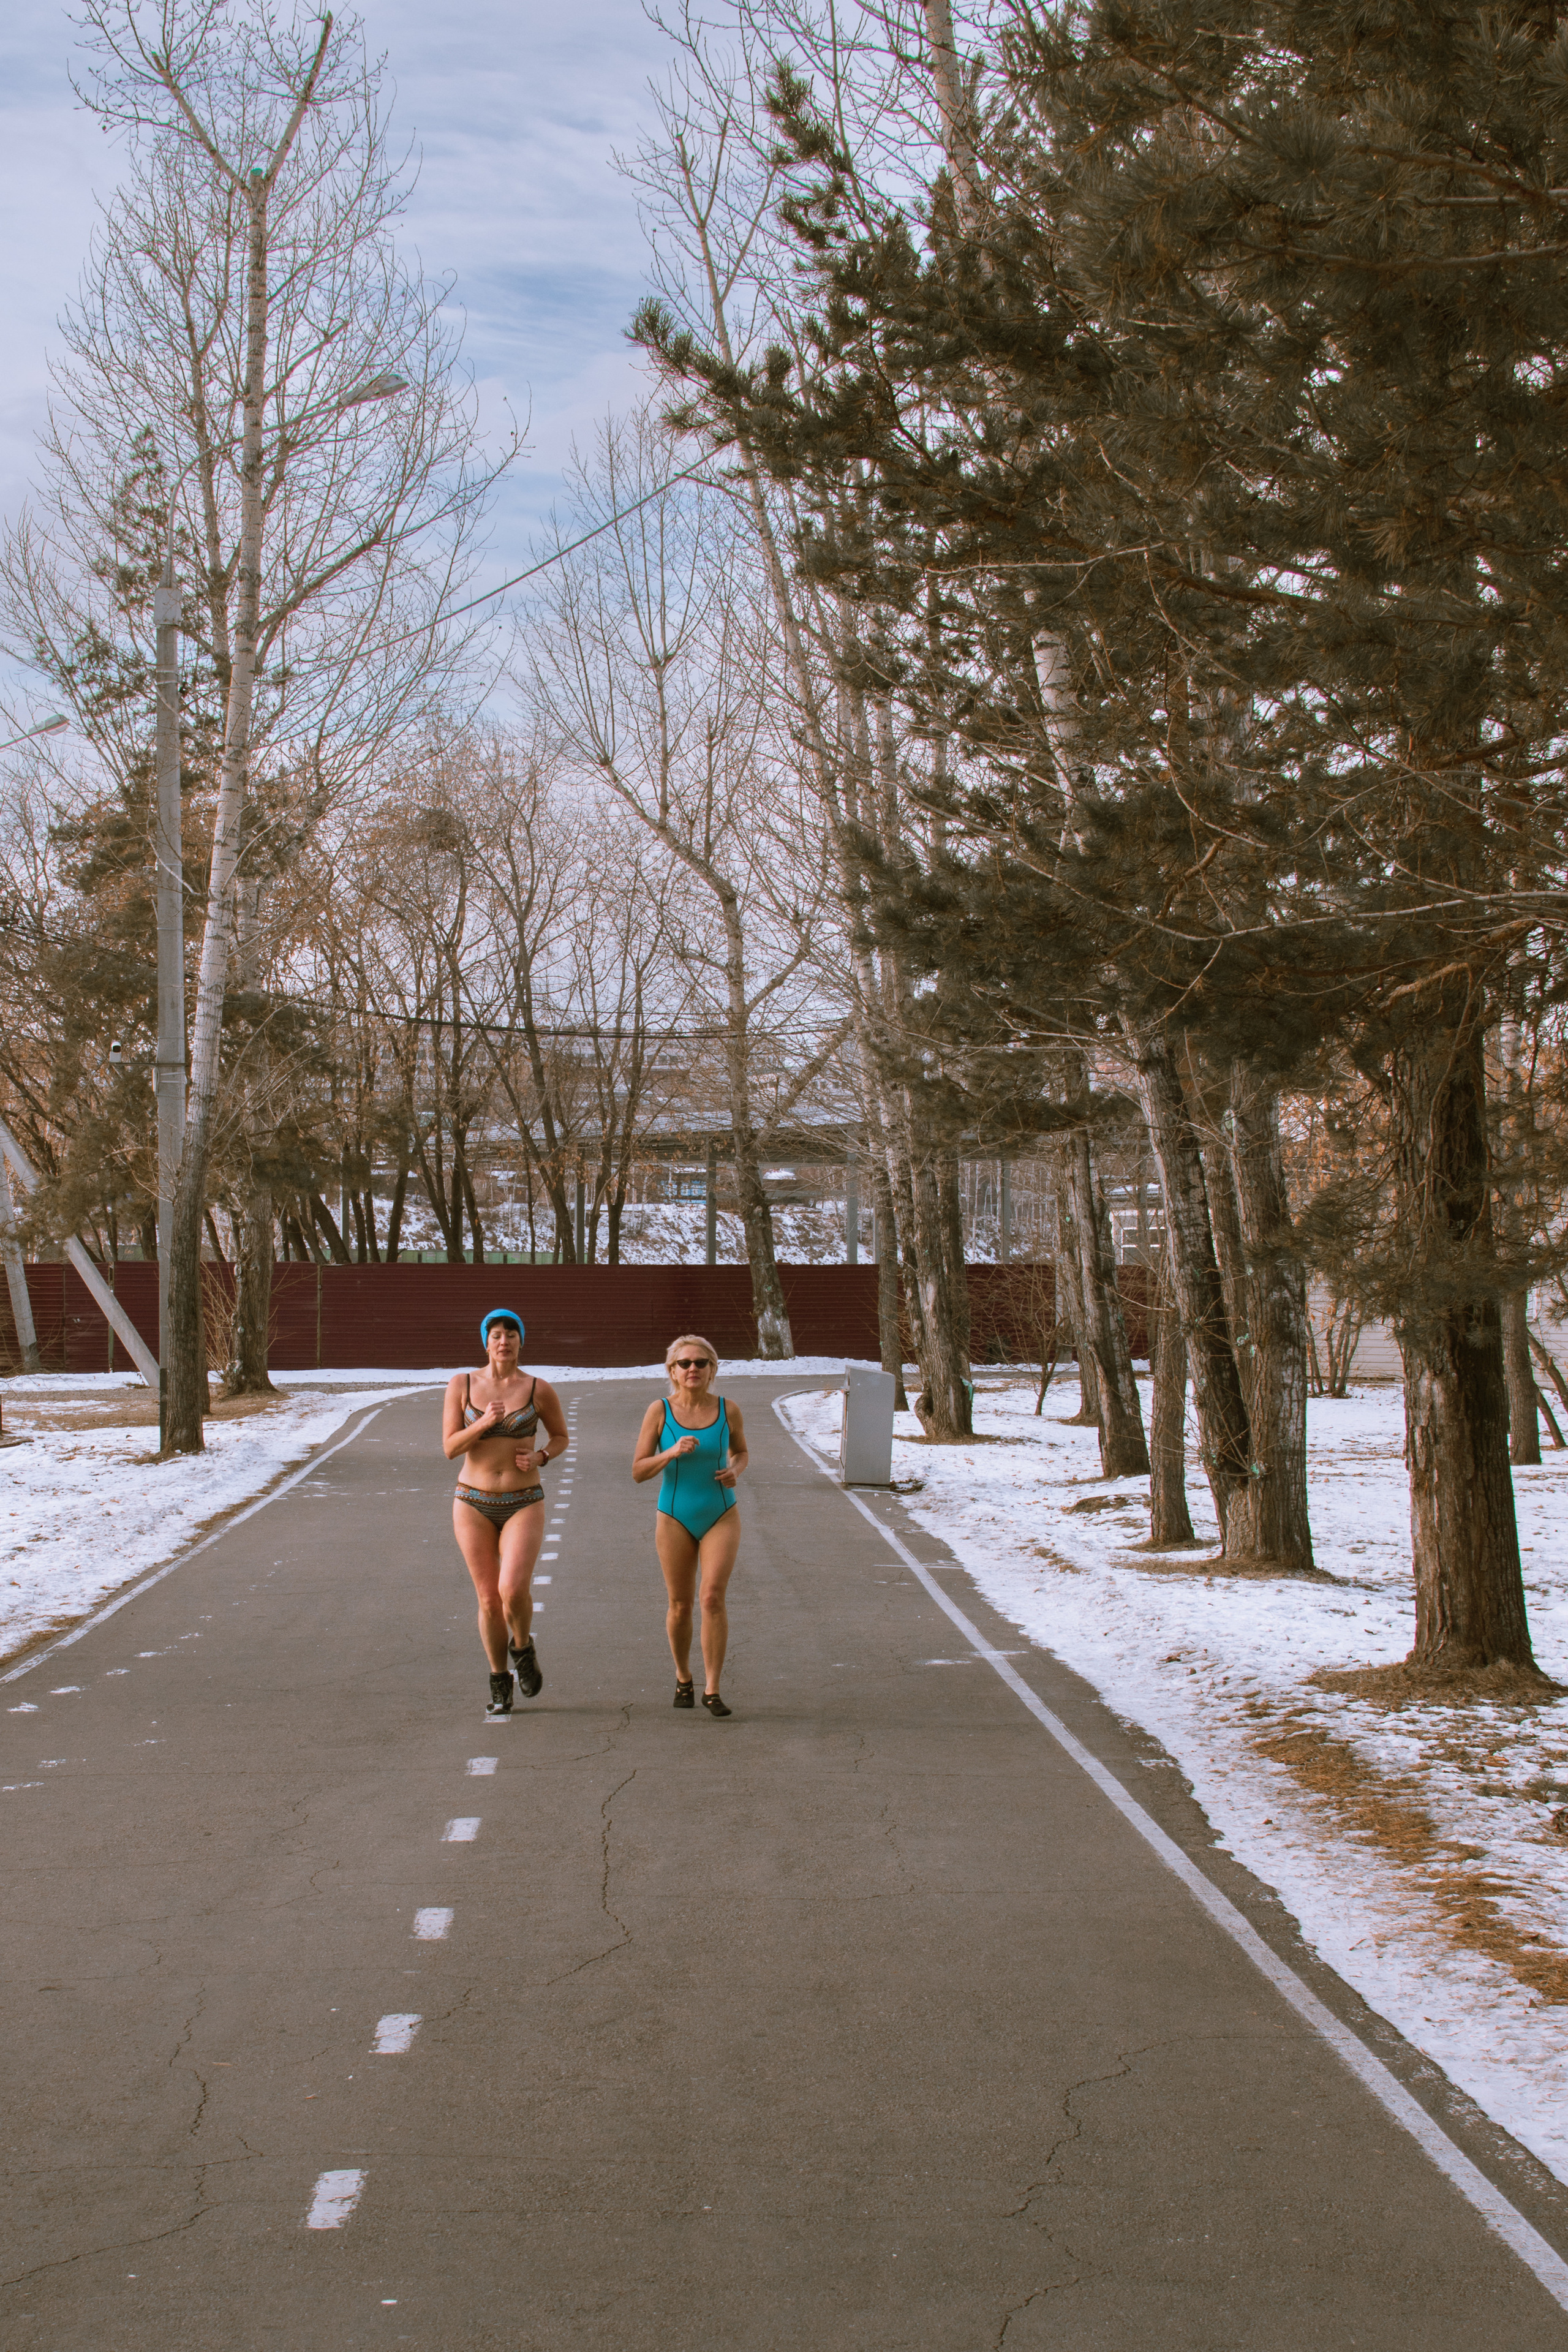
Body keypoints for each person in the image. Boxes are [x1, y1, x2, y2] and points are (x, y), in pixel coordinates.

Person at [443, 1310, 568, 1718]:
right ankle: (500, 1680)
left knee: (512, 1590)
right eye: (496, 1335)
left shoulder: (538, 1389)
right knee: (487, 1597)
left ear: (520, 1342)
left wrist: (542, 1455)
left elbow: (561, 1436)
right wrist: (486, 1424)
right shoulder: (461, 1384)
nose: (504, 1341)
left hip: (523, 1500)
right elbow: (450, 1447)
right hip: (472, 1502)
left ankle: (522, 1647)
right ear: (486, 1342)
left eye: (511, 1335)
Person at [632, 1334, 747, 1717]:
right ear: (673, 1371)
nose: (693, 1369)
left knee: (712, 1596)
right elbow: (638, 1471)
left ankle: (713, 1688)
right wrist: (671, 1451)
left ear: (713, 1369)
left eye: (701, 1363)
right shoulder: (660, 1411)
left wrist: (735, 1470)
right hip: (674, 1516)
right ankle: (684, 1676)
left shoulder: (728, 1409)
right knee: (680, 1604)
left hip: (721, 1513)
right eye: (685, 1364)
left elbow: (741, 1451)